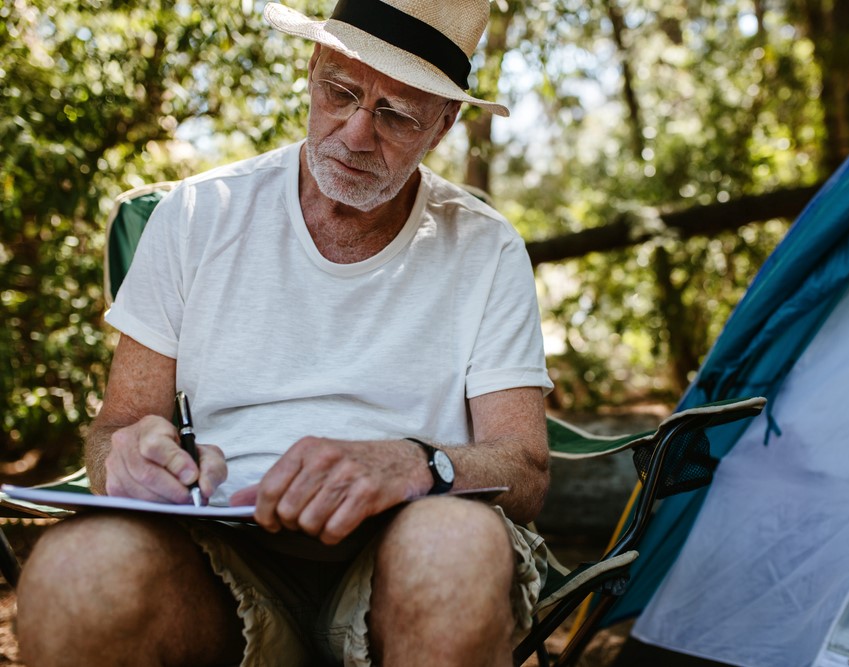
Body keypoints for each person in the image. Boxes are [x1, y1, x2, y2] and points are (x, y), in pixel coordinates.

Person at [15, 1, 554, 665]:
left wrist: (417, 463)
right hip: (216, 561)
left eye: (395, 113)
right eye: (340, 91)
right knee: (76, 571)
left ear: (442, 126)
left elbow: (524, 469)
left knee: (453, 547)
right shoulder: (194, 215)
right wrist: (128, 457)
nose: (356, 133)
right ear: (311, 69)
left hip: (400, 551)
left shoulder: (485, 247)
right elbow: (112, 433)